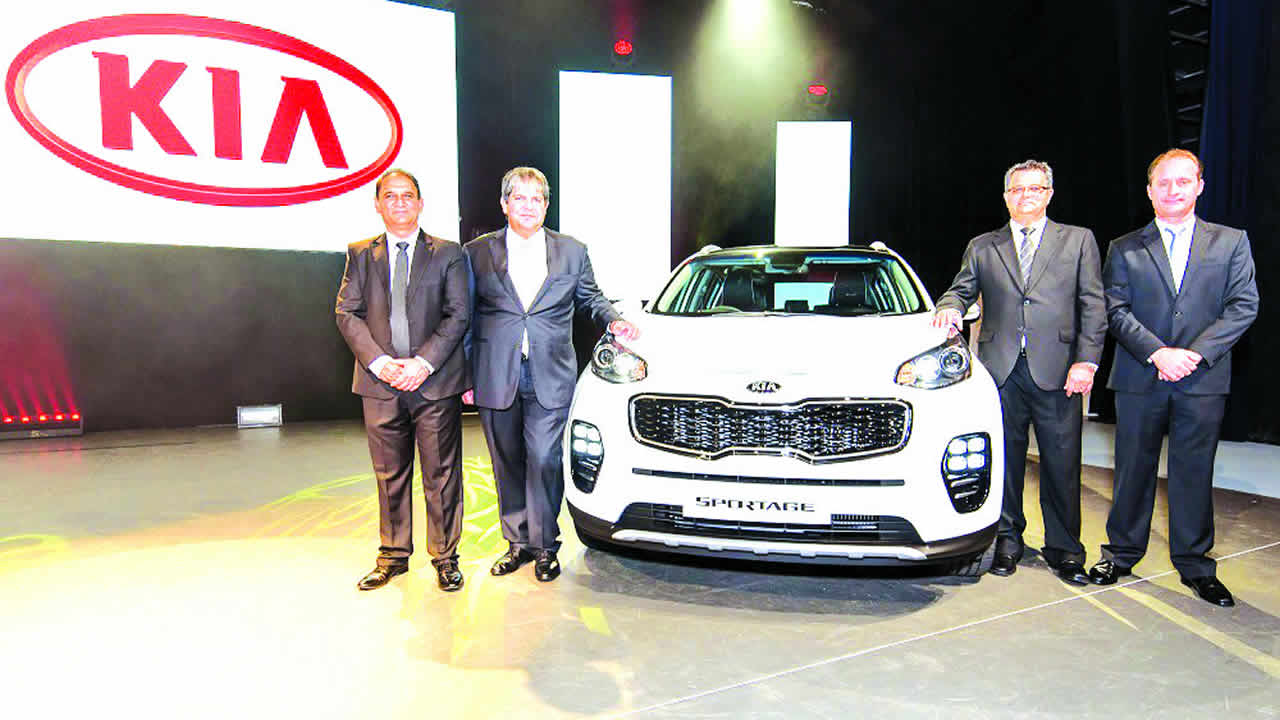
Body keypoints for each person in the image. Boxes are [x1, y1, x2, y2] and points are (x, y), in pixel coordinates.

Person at [1087, 149, 1258, 607]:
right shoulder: (1124, 247)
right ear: (1150, 191)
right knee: (1132, 470)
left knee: (1193, 473)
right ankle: (1120, 554)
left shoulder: (1231, 242)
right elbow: (1114, 309)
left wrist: (1194, 355)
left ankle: (1196, 565)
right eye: (1163, 182)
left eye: (1183, 181)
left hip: (1202, 379)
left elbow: (1244, 305)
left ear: (1199, 186)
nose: (1173, 190)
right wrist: (1158, 353)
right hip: (1140, 376)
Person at [933, 159, 1106, 585]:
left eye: (1034, 188)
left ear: (1049, 194)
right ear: (1006, 197)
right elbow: (960, 289)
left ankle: (1065, 549)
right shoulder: (983, 246)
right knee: (1005, 463)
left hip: (1060, 371)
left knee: (1062, 464)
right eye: (1017, 189)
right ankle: (1007, 542)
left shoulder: (1078, 240)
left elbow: (1092, 304)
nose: (1025, 196)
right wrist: (949, 307)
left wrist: (1086, 361)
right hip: (1000, 371)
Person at [463, 167, 637, 582]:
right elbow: (464, 317)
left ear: (546, 205)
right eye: (519, 198)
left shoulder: (572, 251)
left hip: (551, 373)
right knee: (506, 461)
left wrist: (613, 321)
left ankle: (544, 545)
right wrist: (466, 377)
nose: (528, 206)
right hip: (494, 373)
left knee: (544, 458)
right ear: (504, 204)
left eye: (536, 199)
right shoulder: (476, 253)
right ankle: (517, 542)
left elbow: (591, 298)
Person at [336, 169, 470, 593]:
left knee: (441, 475)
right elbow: (347, 312)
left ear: (420, 203)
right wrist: (379, 363)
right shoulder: (360, 254)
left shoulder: (448, 253)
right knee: (389, 474)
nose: (399, 202)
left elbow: (459, 314)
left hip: (434, 383)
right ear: (378, 204)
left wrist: (423, 364)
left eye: (407, 195)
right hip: (379, 384)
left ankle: (445, 557)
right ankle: (393, 556)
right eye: (390, 196)